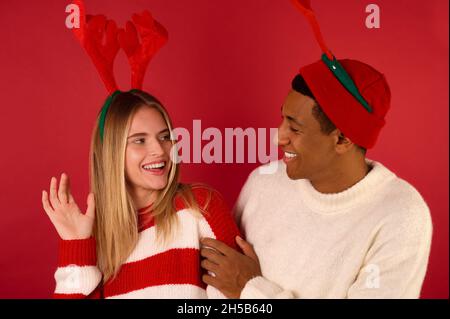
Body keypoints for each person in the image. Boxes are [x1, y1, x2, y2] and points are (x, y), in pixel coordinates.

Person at [199, 0, 432, 298]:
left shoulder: (401, 216)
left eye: (295, 128)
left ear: (342, 139)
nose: (278, 138)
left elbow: (238, 286)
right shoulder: (263, 182)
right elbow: (218, 289)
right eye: (282, 118)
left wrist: (251, 289)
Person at [41, 3, 240, 299]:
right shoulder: (97, 240)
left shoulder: (201, 206)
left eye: (165, 136)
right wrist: (75, 244)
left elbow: (243, 299)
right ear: (112, 153)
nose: (159, 150)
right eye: (139, 140)